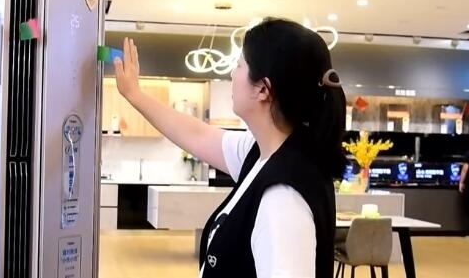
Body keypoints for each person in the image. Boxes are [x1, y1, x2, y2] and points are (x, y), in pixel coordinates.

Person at [113, 18, 346, 277]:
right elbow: (196, 134)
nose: (231, 74)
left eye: (239, 65)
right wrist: (134, 94)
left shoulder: (283, 197)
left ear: (263, 89)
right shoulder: (262, 154)